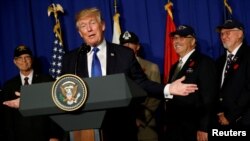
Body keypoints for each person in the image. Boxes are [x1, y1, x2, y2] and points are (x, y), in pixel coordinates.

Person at [4, 8, 198, 141]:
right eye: (82, 25)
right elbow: (61, 92)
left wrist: (167, 88)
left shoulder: (124, 54)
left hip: (120, 128)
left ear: (103, 25)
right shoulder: (72, 59)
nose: (88, 29)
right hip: (83, 131)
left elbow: (142, 84)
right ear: (79, 32)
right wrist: (31, 100)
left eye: (92, 23)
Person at [164, 25, 217, 141]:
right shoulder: (174, 67)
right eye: (175, 38)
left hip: (192, 127)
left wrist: (204, 127)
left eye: (182, 38)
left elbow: (209, 98)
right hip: (175, 127)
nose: (177, 41)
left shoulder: (204, 62)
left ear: (193, 41)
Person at [2, 45, 64, 141]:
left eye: (27, 57)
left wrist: (54, 136)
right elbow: (7, 119)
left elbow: (55, 109)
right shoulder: (8, 86)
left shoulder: (46, 80)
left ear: (32, 59)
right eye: (20, 58)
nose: (24, 61)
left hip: (45, 136)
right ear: (15, 61)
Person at [119, 31, 161, 141]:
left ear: (137, 46)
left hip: (146, 125)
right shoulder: (116, 69)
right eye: (124, 45)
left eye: (130, 43)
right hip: (122, 125)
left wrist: (141, 118)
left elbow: (155, 98)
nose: (127, 46)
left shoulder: (151, 67)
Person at [214, 19, 250, 139]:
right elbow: (217, 90)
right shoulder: (219, 61)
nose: (224, 36)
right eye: (222, 33)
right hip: (221, 122)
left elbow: (248, 90)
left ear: (240, 34)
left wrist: (230, 116)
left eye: (228, 32)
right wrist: (219, 112)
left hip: (243, 121)